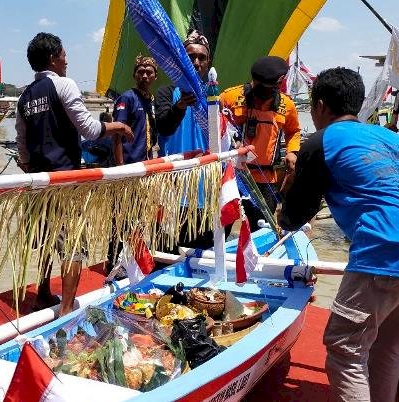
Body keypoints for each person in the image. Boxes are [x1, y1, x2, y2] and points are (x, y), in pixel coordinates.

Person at [278, 67, 399, 402]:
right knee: (389, 346)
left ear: (318, 106)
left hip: (388, 247)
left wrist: (285, 203)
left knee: (344, 348)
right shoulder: (392, 138)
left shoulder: (321, 141)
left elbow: (295, 215)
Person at [15, 32, 133, 316]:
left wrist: (32, 170)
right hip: (65, 182)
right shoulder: (64, 85)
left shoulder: (24, 97)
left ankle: (43, 293)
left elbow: (22, 145)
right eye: (65, 55)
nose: (67, 61)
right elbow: (90, 130)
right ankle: (66, 310)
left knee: (44, 240)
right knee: (71, 246)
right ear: (54, 57)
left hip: (38, 183)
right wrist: (118, 127)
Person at [220, 56, 301, 230]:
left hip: (266, 181)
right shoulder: (230, 97)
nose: (266, 94)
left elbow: (293, 131)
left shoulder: (287, 104)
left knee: (261, 230)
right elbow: (212, 129)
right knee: (221, 227)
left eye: (272, 89)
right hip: (231, 177)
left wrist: (292, 152)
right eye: (262, 88)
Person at [154, 29, 214, 250]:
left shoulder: (215, 96)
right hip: (172, 191)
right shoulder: (165, 93)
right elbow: (163, 126)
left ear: (208, 62)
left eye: (202, 58)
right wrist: (179, 106)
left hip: (206, 190)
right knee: (168, 252)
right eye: (190, 57)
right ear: (181, 59)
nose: (196, 62)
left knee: (203, 255)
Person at [105, 54, 158, 273]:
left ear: (155, 76)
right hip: (126, 169)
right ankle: (112, 263)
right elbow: (117, 132)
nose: (145, 75)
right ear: (134, 75)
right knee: (120, 219)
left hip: (142, 169)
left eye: (149, 72)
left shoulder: (150, 101)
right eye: (141, 71)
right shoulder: (128, 98)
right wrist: (120, 169)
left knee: (137, 216)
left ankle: (132, 262)